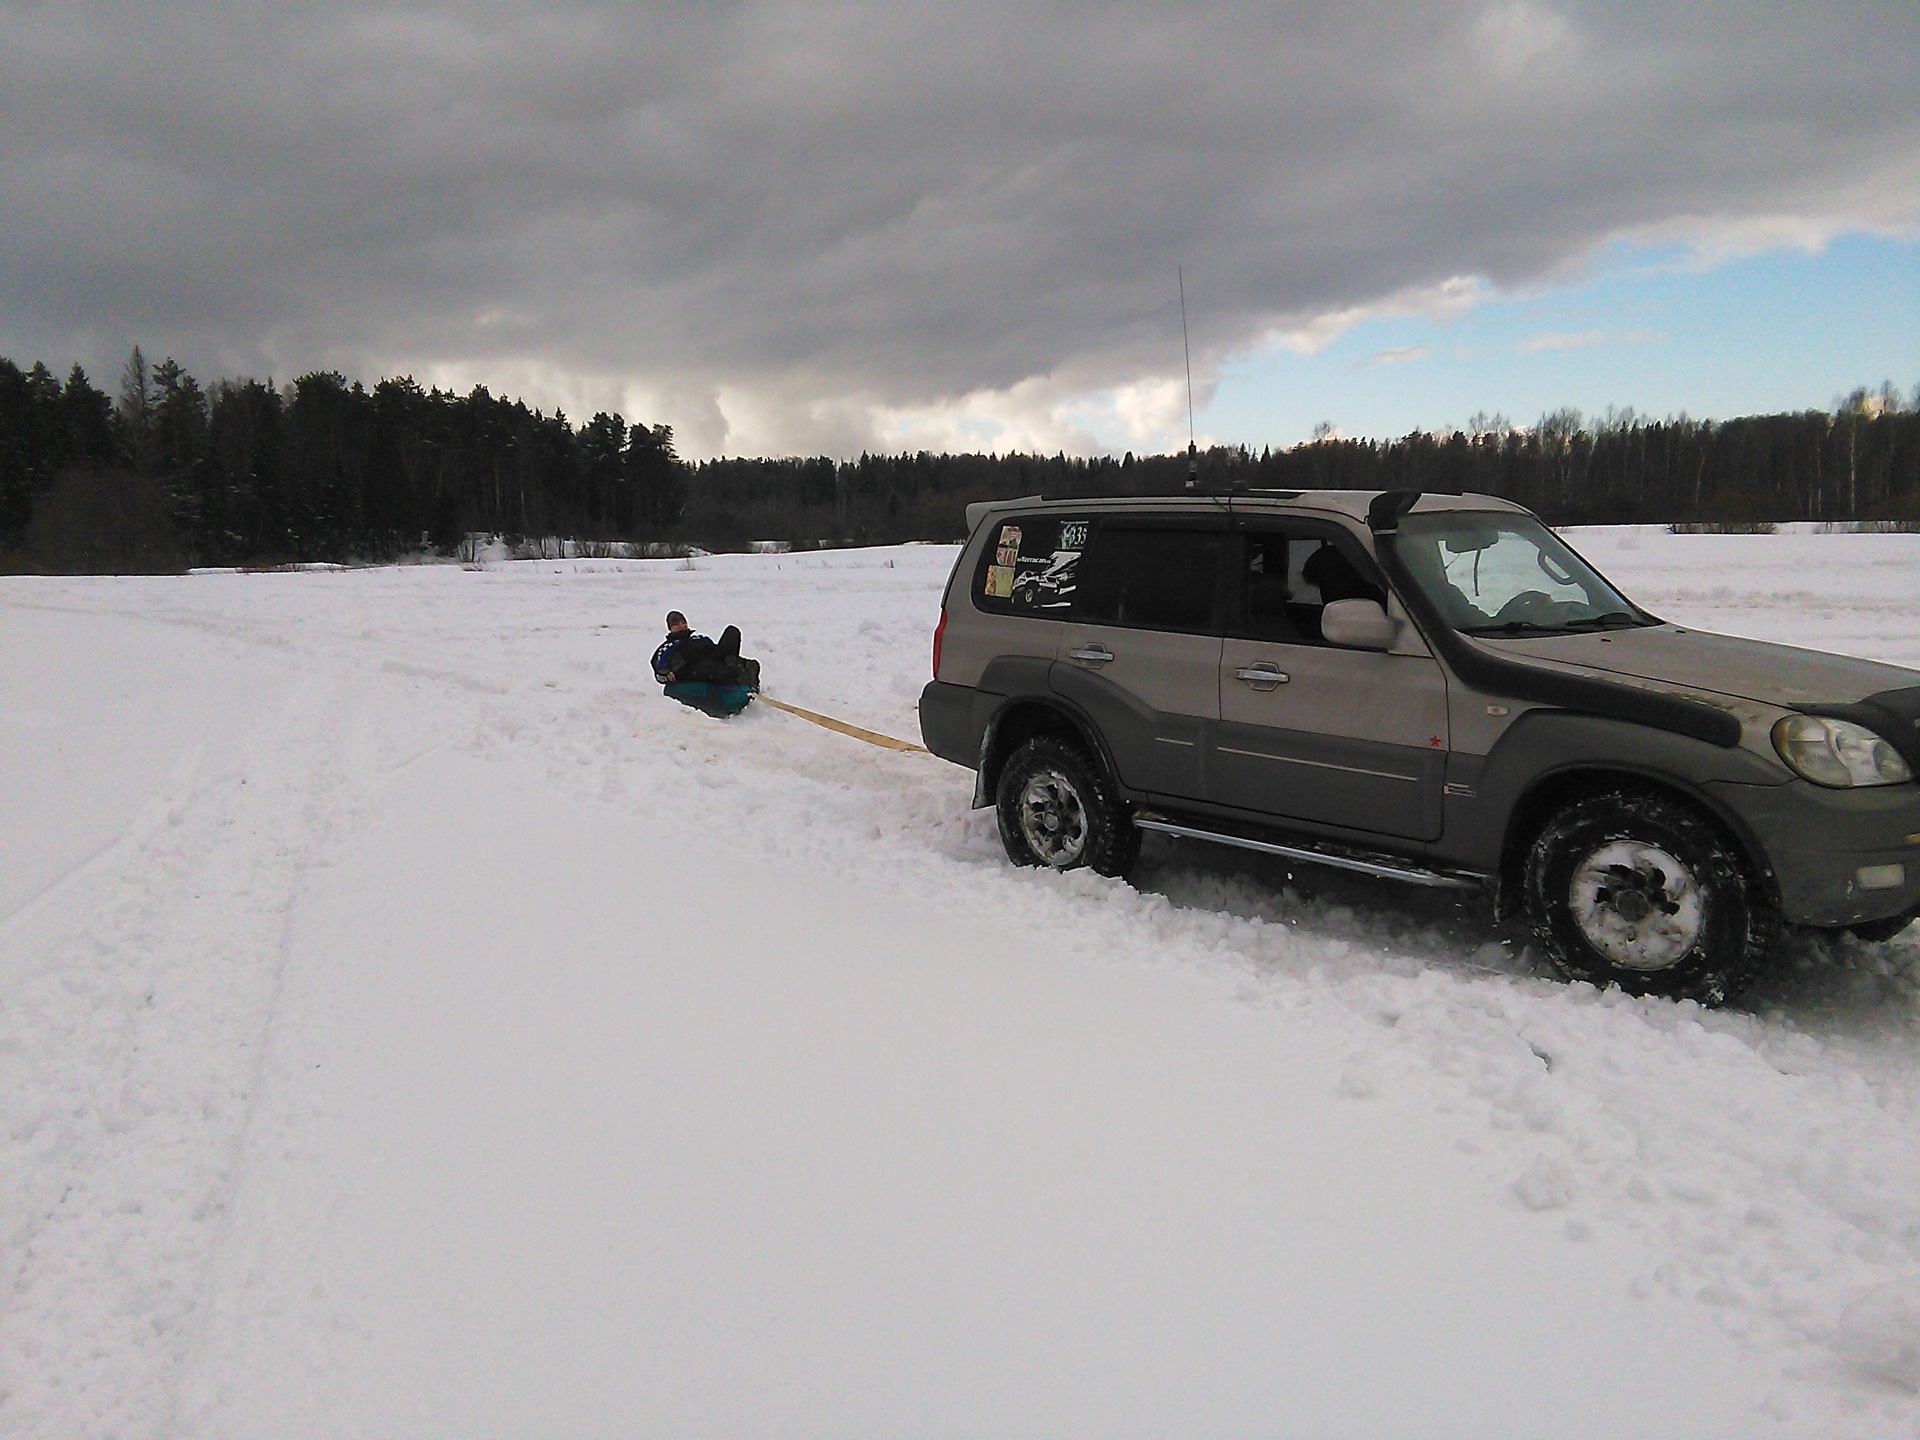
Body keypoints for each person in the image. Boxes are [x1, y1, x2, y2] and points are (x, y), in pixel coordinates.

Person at [652, 611, 756, 688]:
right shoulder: (668, 646)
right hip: (692, 667)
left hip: (712, 659)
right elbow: (658, 666)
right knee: (715, 669)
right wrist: (665, 673)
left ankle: (736, 670)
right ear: (670, 628)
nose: (681, 626)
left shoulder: (699, 638)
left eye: (683, 623)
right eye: (676, 624)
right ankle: (733, 675)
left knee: (732, 631)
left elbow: (718, 650)